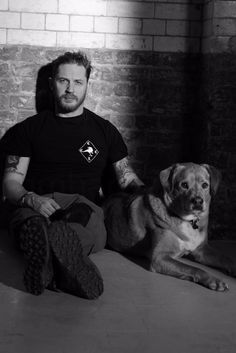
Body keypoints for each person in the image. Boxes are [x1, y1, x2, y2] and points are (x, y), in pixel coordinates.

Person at [1, 51, 144, 299]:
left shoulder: (105, 132)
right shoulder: (28, 130)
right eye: (63, 81)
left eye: (78, 82)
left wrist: (153, 196)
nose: (70, 89)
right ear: (51, 84)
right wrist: (31, 199)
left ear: (87, 84)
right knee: (28, 223)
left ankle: (49, 260)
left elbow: (127, 178)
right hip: (37, 204)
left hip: (82, 206)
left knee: (90, 226)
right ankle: (62, 266)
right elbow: (11, 182)